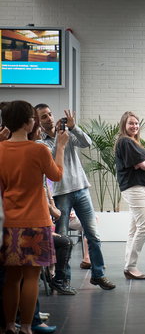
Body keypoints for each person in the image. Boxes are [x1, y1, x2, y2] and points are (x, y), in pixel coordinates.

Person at [0, 100, 67, 334]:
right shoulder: (38, 150)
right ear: (29, 122)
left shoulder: (0, 150)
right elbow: (57, 175)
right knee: (31, 278)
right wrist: (59, 146)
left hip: (8, 222)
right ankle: (26, 328)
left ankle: (9, 326)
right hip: (36, 222)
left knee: (11, 278)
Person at [36, 103, 115, 290]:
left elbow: (87, 143)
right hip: (61, 193)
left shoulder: (66, 133)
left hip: (81, 189)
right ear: (38, 122)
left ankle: (98, 274)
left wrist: (73, 127)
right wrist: (59, 141)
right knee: (63, 239)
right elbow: (53, 161)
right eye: (44, 117)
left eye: (49, 114)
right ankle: (63, 280)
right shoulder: (40, 143)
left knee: (93, 235)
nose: (49, 118)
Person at [115, 111, 145, 280]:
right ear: (124, 124)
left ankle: (128, 266)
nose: (134, 126)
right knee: (144, 226)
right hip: (134, 187)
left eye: (137, 123)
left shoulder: (132, 142)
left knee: (133, 229)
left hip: (135, 187)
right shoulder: (125, 141)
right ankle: (131, 266)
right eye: (131, 123)